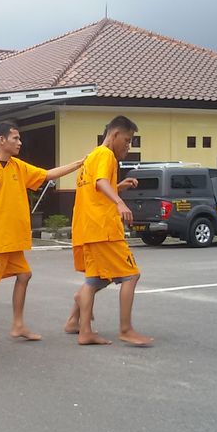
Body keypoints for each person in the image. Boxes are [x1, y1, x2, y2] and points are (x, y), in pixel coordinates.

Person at [0, 121, 85, 343]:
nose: (19, 142)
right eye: (16, 138)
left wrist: (78, 164)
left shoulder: (18, 167)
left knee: (24, 275)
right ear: (1, 140)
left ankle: (18, 325)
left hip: (12, 238)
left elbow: (48, 175)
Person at [63, 115, 154, 346]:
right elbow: (102, 183)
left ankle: (79, 325)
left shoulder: (91, 157)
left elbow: (97, 188)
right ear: (114, 135)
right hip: (103, 228)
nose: (128, 145)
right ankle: (126, 329)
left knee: (95, 280)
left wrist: (119, 187)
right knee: (131, 275)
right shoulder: (106, 155)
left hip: (87, 228)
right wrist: (120, 202)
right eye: (127, 139)